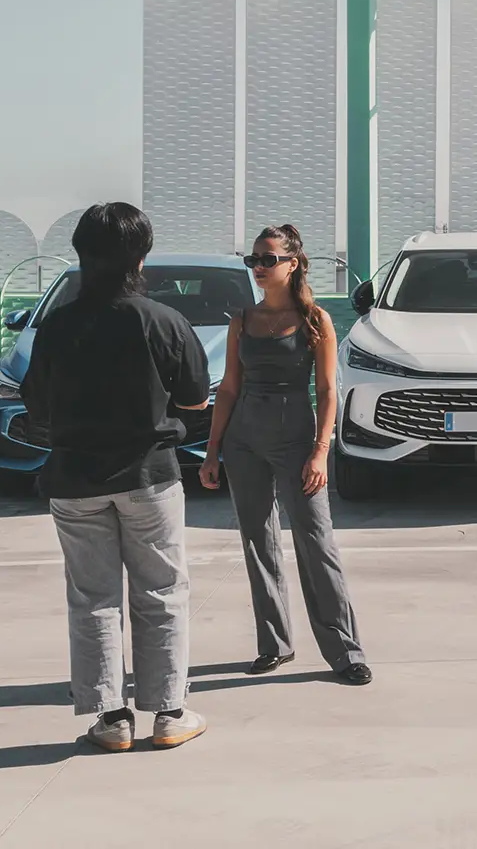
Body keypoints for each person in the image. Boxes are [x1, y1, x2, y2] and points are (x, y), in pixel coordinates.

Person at [22, 202, 211, 751]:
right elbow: (197, 399)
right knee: (162, 592)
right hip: (149, 477)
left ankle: (111, 720)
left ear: (81, 254)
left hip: (75, 480)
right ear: (142, 257)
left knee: (92, 599)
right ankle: (170, 713)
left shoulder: (57, 325)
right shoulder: (162, 321)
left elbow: (35, 407)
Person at [199, 223, 371, 684]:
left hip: (297, 441)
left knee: (317, 543)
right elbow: (229, 389)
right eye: (253, 259)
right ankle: (274, 643)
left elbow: (330, 392)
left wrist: (320, 453)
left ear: (292, 264)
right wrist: (212, 452)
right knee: (258, 542)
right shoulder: (242, 320)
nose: (258, 267)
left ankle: (345, 651)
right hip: (244, 442)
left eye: (268, 259)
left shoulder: (316, 320)